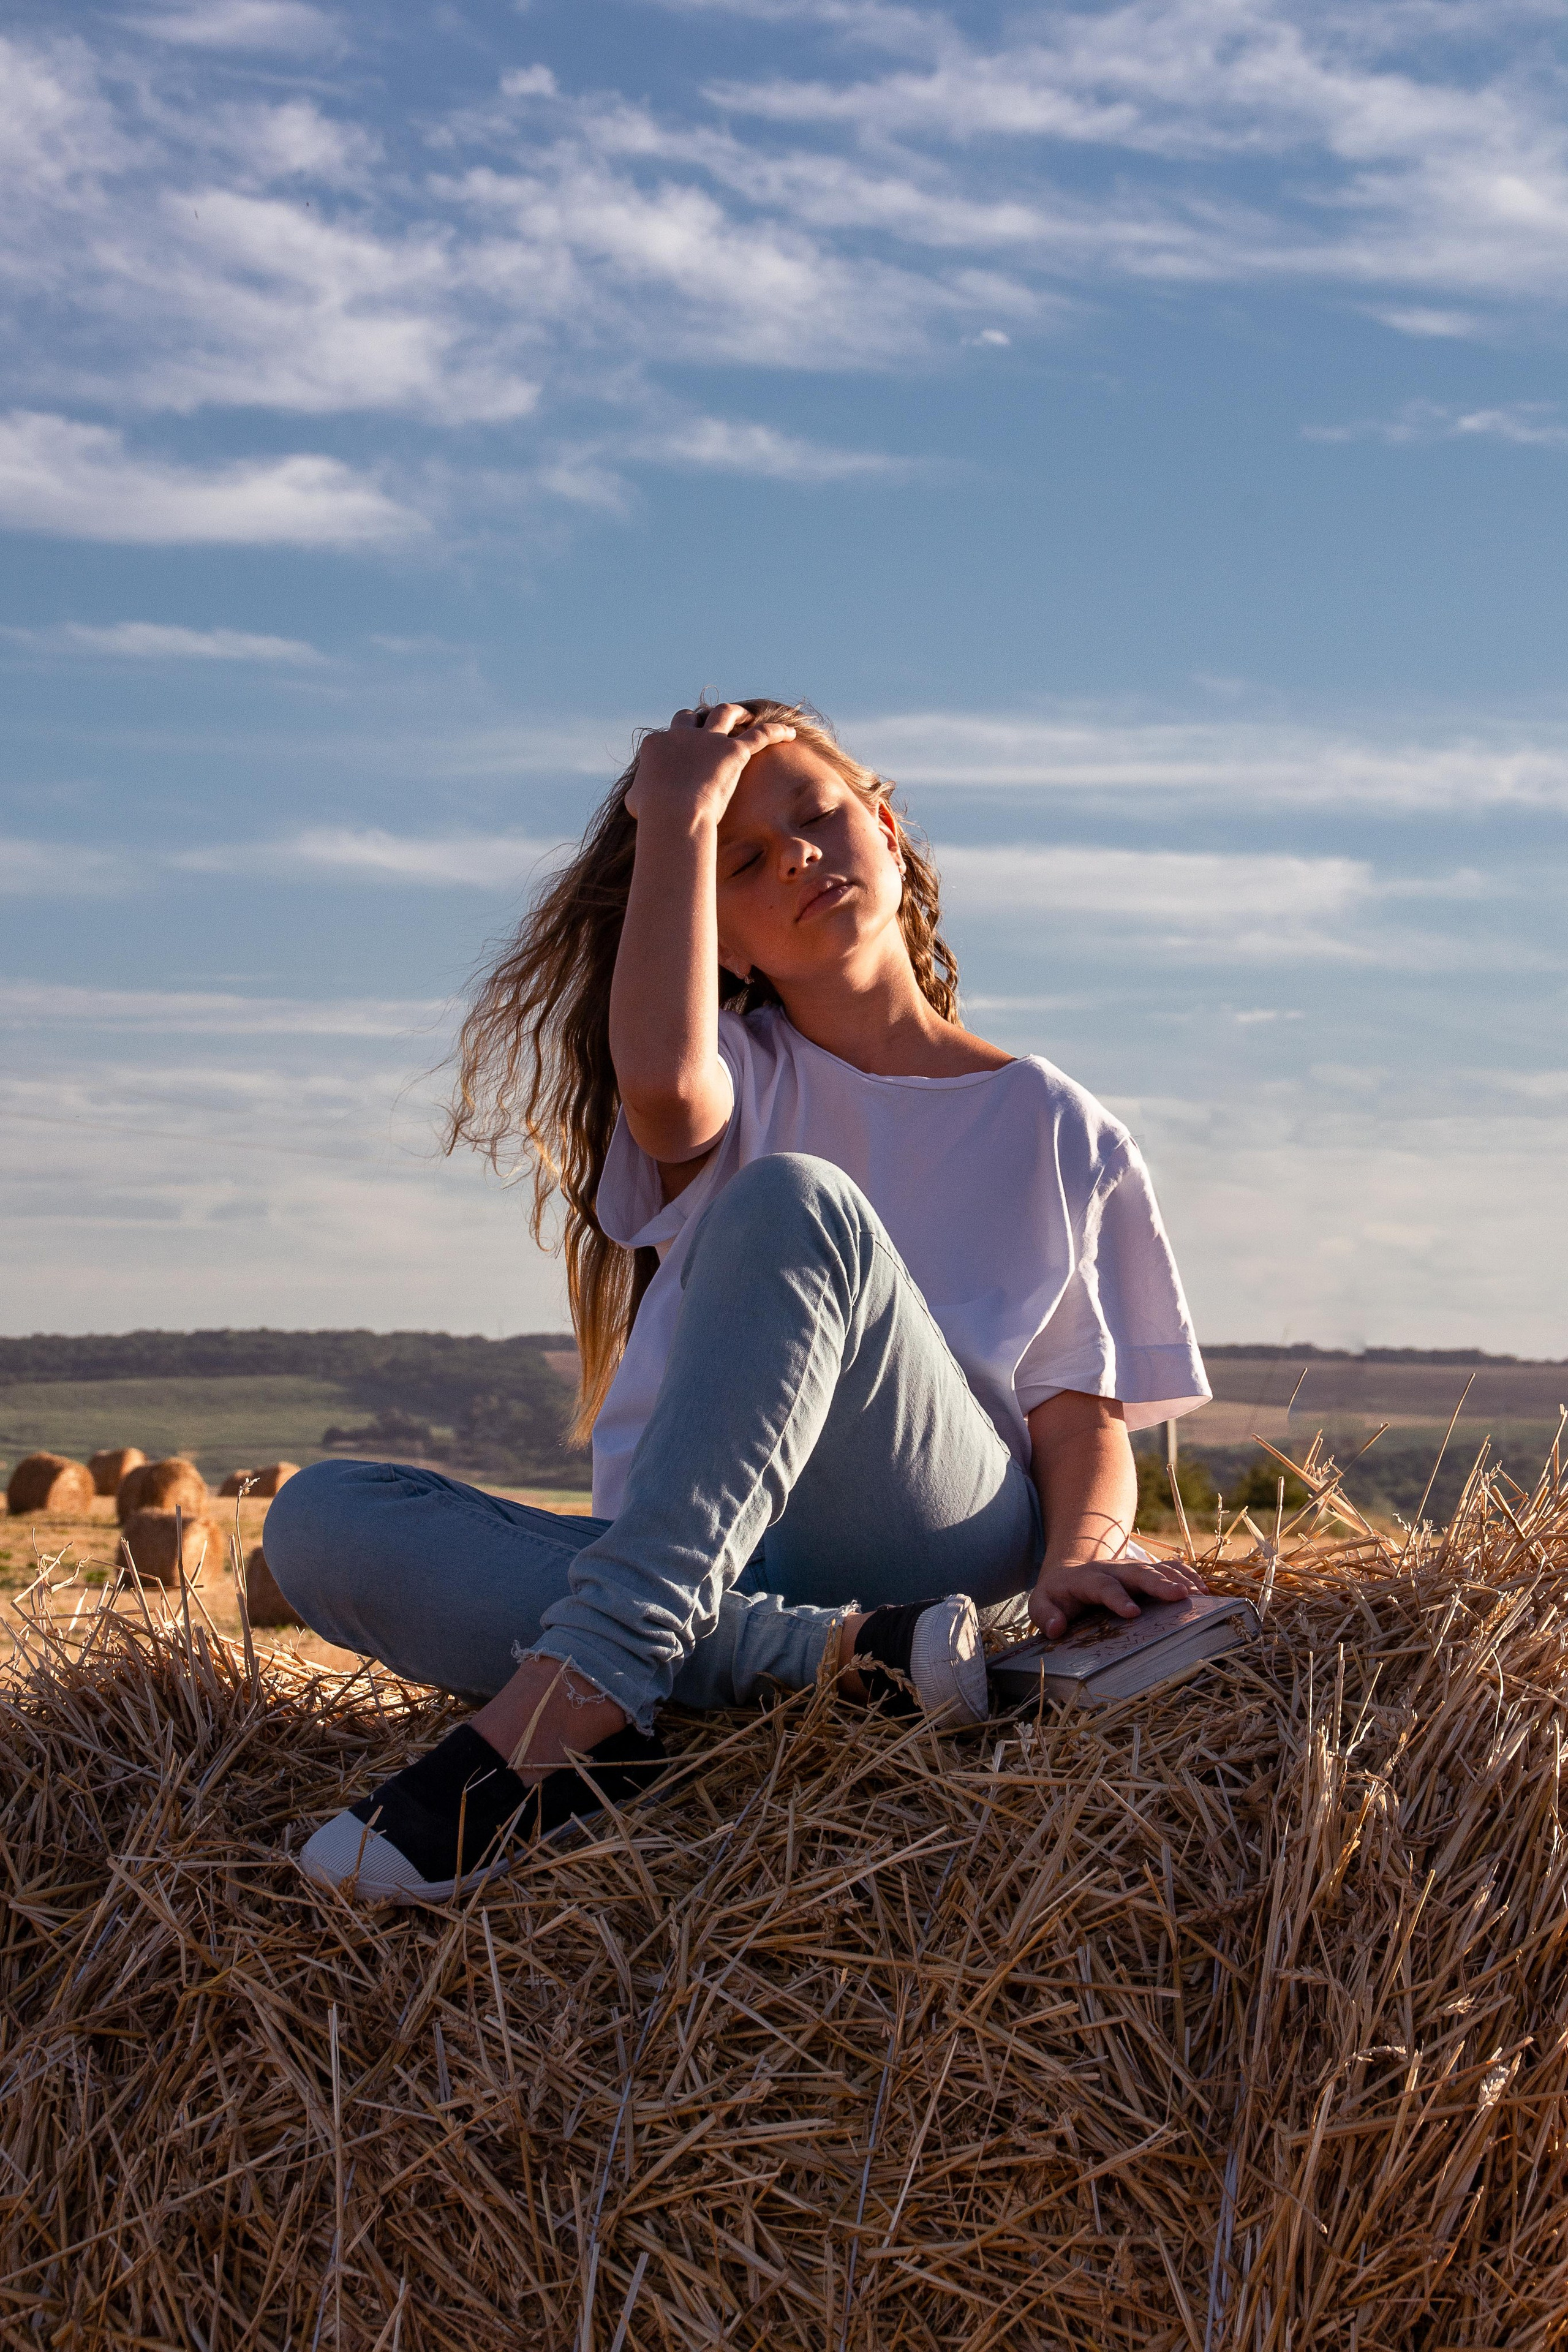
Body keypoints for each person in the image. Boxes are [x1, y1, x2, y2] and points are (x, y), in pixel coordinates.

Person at [268, 699, 1210, 1903]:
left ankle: (578, 1704)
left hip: (924, 1531)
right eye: (743, 861)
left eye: (816, 818)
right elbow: (659, 1076)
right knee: (320, 1520)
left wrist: (1082, 1557)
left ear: (883, 824)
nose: (799, 858)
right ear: (723, 945)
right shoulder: (728, 1084)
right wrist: (671, 814)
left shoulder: (1053, 1123)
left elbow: (1077, 1412)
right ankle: (814, 1663)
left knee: (790, 1207)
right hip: (699, 1557)